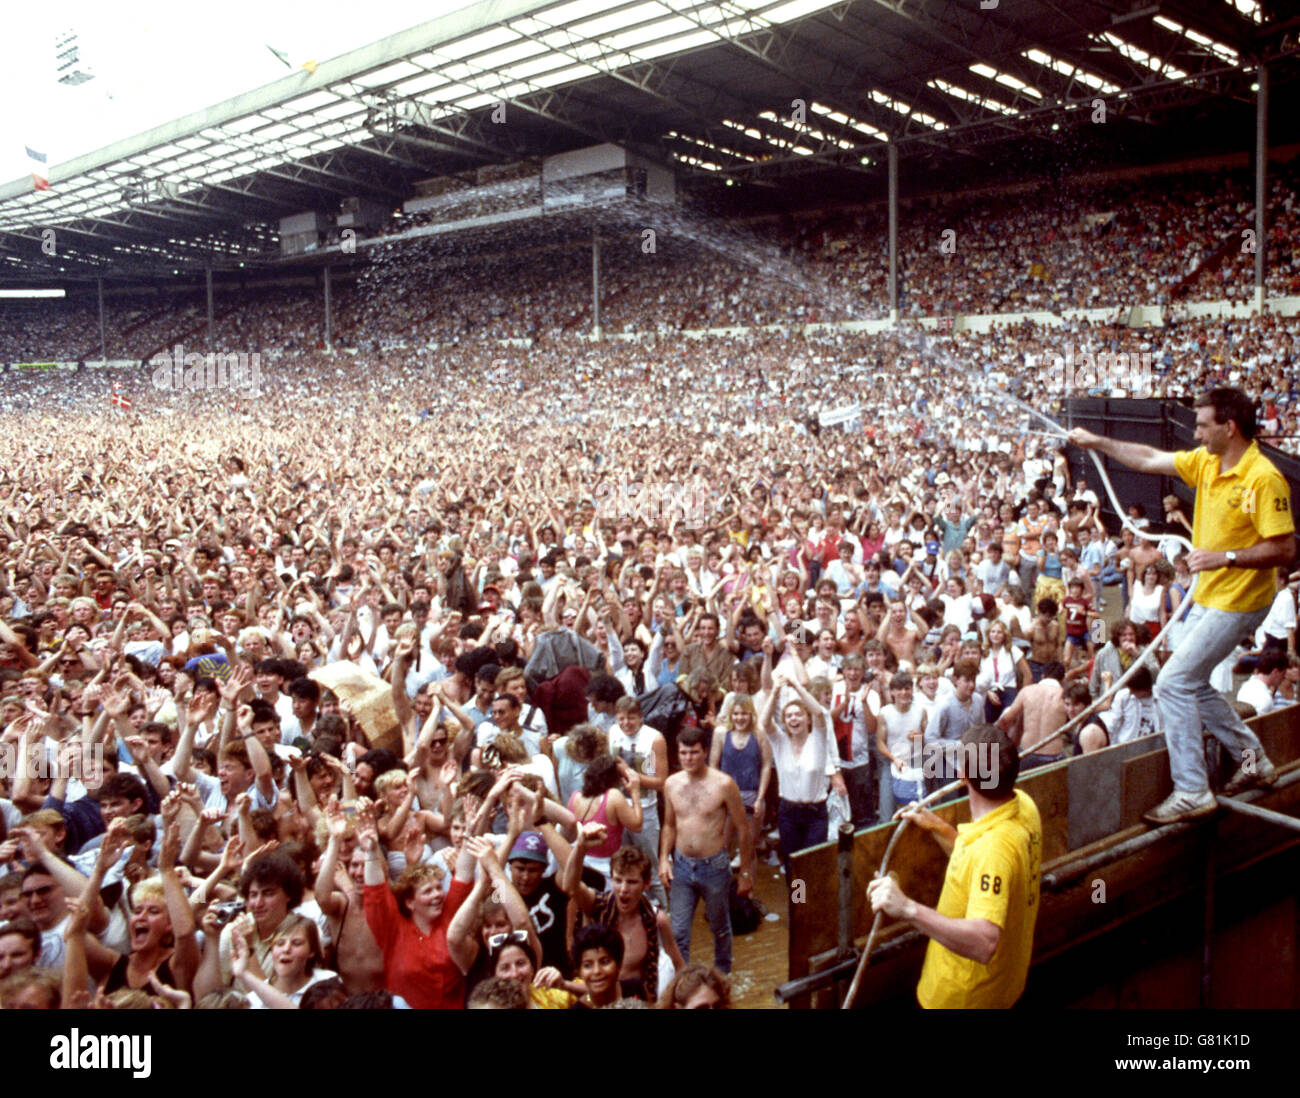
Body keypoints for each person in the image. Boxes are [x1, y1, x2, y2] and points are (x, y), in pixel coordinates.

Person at [1070, 387, 1295, 823]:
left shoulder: (1264, 477)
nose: (1194, 433)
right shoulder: (1207, 461)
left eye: (1202, 425)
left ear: (1228, 428)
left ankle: (1192, 789)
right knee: (1191, 682)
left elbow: (1284, 549)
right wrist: (1099, 442)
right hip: (1212, 597)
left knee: (1172, 682)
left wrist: (1223, 558)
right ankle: (1254, 762)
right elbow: (1149, 458)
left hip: (1241, 601)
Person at [867, 722, 1042, 1009]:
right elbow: (977, 860)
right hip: (1004, 987)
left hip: (964, 998)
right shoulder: (1024, 806)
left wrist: (906, 907)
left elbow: (985, 942)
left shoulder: (993, 849)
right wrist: (938, 826)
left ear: (962, 776)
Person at [359, 803, 475, 1009]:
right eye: (428, 891)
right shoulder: (393, 930)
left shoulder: (449, 917)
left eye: (439, 888)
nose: (438, 895)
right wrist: (370, 851)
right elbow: (375, 893)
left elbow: (464, 878)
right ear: (410, 902)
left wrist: (469, 835)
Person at [660, 725, 754, 975]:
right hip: (680, 865)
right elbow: (669, 825)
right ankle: (682, 981)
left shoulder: (724, 784)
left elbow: (744, 829)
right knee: (678, 931)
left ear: (704, 752)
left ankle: (722, 975)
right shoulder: (671, 784)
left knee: (720, 927)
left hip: (714, 866)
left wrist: (745, 872)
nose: (688, 758)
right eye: (683, 753)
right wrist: (663, 860)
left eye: (693, 752)